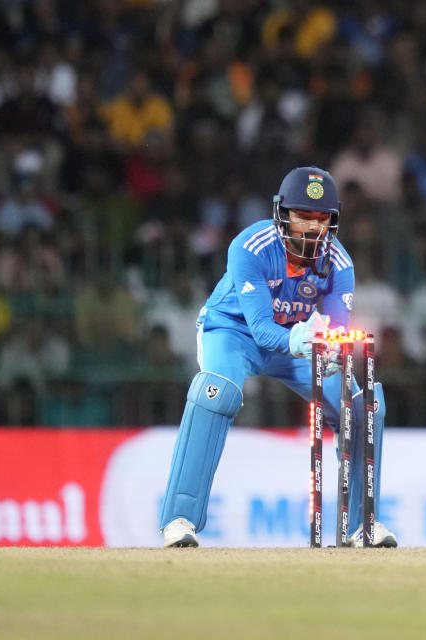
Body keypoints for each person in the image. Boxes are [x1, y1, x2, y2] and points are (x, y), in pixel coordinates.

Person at [159, 166, 397, 548]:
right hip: (235, 332)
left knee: (363, 404)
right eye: (303, 216)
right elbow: (259, 327)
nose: (312, 227)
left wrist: (334, 350)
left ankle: (360, 526)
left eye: (322, 219)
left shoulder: (339, 263)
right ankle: (179, 518)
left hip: (302, 344)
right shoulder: (249, 247)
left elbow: (336, 331)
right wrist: (302, 339)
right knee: (215, 393)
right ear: (281, 213)